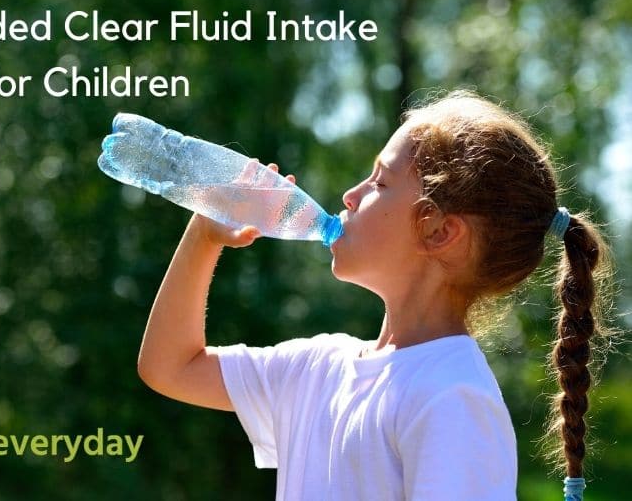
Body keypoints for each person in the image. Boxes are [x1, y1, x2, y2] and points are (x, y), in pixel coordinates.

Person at [136, 89, 612, 500]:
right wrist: (204, 232)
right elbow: (171, 367)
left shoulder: (451, 397)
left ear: (440, 231)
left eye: (379, 181)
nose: (350, 194)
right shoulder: (315, 368)